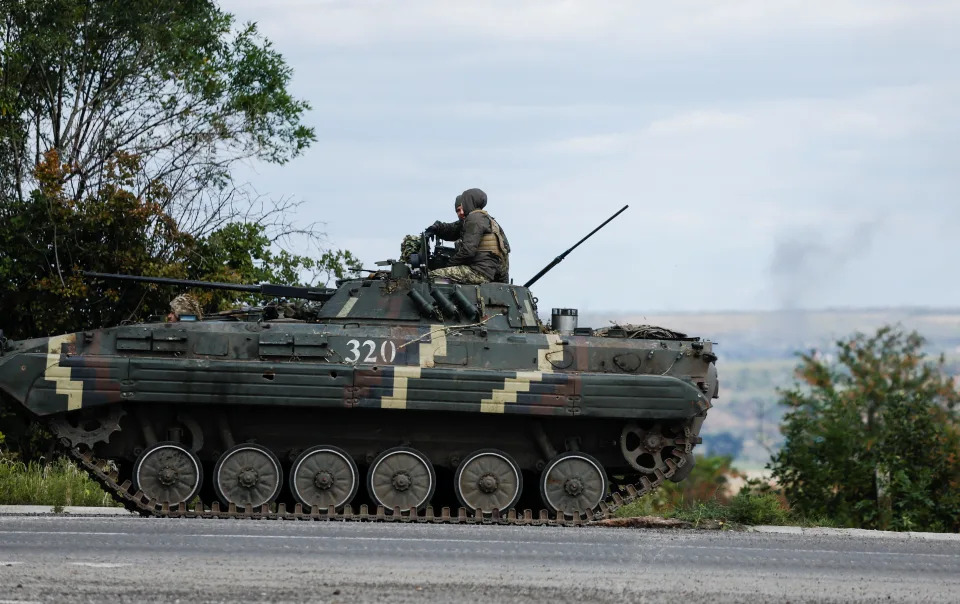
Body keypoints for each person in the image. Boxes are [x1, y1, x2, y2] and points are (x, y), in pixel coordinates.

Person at [423, 188, 510, 284]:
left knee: (430, 277)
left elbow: (468, 251)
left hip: (479, 272)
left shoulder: (474, 219)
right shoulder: (485, 219)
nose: (461, 212)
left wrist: (449, 265)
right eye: (458, 210)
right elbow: (453, 229)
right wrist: (436, 228)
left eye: (463, 204)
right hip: (488, 272)